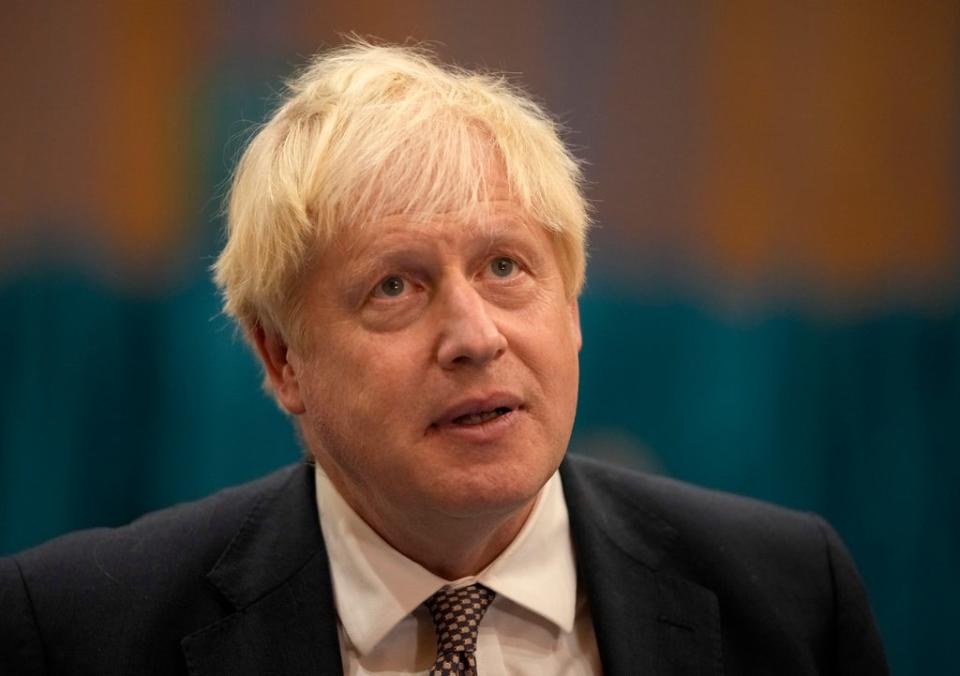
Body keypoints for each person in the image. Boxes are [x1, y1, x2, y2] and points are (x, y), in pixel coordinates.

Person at [0, 41, 887, 675]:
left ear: (572, 308)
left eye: (506, 268)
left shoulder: (791, 598)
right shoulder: (79, 631)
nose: (474, 335)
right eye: (395, 287)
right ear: (282, 361)